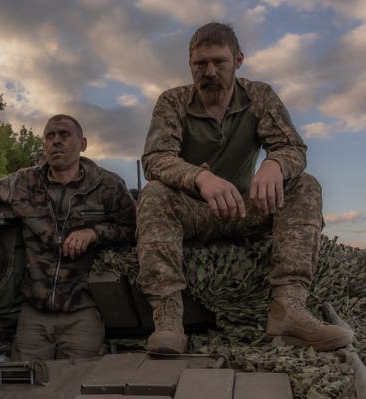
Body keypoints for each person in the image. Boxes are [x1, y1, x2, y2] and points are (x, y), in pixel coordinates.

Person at [137, 22, 353, 354]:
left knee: (305, 185)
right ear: (190, 64)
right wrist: (201, 178)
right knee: (153, 194)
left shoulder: (258, 96)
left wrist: (274, 164)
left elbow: (293, 148)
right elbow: (155, 158)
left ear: (238, 59)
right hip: (194, 212)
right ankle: (168, 321)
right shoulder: (174, 102)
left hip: (246, 210)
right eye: (200, 64)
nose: (209, 71)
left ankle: (288, 309)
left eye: (219, 62)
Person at [0, 114, 136, 360]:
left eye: (64, 135)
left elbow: (132, 228)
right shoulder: (25, 182)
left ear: (82, 144)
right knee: (26, 387)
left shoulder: (107, 185)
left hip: (81, 311)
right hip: (34, 314)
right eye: (50, 136)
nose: (56, 141)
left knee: (81, 386)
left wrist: (93, 233)